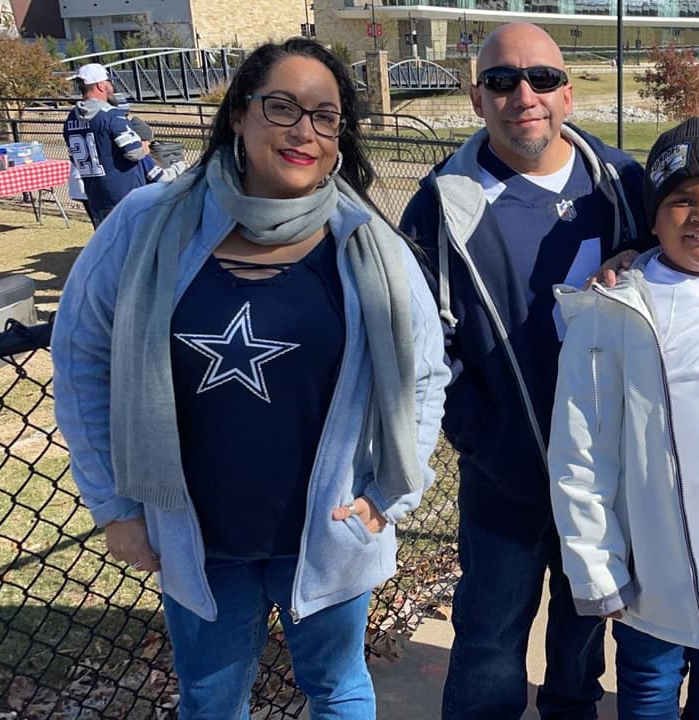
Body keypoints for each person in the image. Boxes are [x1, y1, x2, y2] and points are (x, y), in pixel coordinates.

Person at [52, 37, 450, 719]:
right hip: (199, 536)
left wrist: (388, 497)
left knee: (337, 690)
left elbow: (424, 375)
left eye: (326, 116)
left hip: (328, 531)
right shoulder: (145, 227)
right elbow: (82, 361)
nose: (305, 131)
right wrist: (115, 509)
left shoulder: (367, 243)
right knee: (211, 700)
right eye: (282, 107)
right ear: (238, 114)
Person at [398, 21, 647, 720]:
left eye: (540, 78)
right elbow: (424, 348)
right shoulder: (441, 206)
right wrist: (486, 439)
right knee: (488, 649)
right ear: (478, 98)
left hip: (604, 475)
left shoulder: (624, 185)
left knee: (580, 644)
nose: (524, 95)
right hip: (506, 478)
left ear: (568, 93)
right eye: (503, 81)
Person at [549, 118, 699, 720]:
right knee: (648, 700)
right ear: (652, 218)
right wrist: (596, 566)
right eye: (681, 199)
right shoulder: (616, 311)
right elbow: (580, 454)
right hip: (654, 585)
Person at [63, 63, 147, 228]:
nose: (111, 85)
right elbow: (134, 152)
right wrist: (145, 145)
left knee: (108, 245)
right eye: (108, 81)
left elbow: (74, 158)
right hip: (124, 194)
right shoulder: (112, 116)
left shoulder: (70, 119)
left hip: (95, 195)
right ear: (101, 85)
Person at [128, 116, 190, 184]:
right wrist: (180, 166)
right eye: (146, 140)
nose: (149, 143)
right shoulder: (142, 158)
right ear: (139, 141)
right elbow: (162, 178)